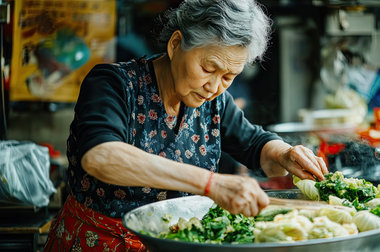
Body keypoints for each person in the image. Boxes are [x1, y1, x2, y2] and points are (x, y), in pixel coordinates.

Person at [44, 0, 328, 251]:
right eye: (208, 68)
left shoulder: (214, 102)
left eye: (229, 76)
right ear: (175, 43)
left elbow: (256, 145)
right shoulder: (114, 84)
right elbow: (101, 156)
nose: (215, 87)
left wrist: (285, 154)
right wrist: (210, 184)